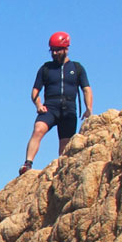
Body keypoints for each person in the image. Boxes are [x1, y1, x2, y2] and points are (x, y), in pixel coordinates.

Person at [19, 32, 92, 175]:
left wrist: (89, 108)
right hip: (50, 107)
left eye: (58, 50)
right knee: (38, 129)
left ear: (66, 49)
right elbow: (35, 92)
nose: (54, 53)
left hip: (69, 108)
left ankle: (61, 171)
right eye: (52, 50)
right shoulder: (46, 68)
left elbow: (87, 90)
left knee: (65, 145)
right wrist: (38, 105)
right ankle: (28, 164)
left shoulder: (77, 68)